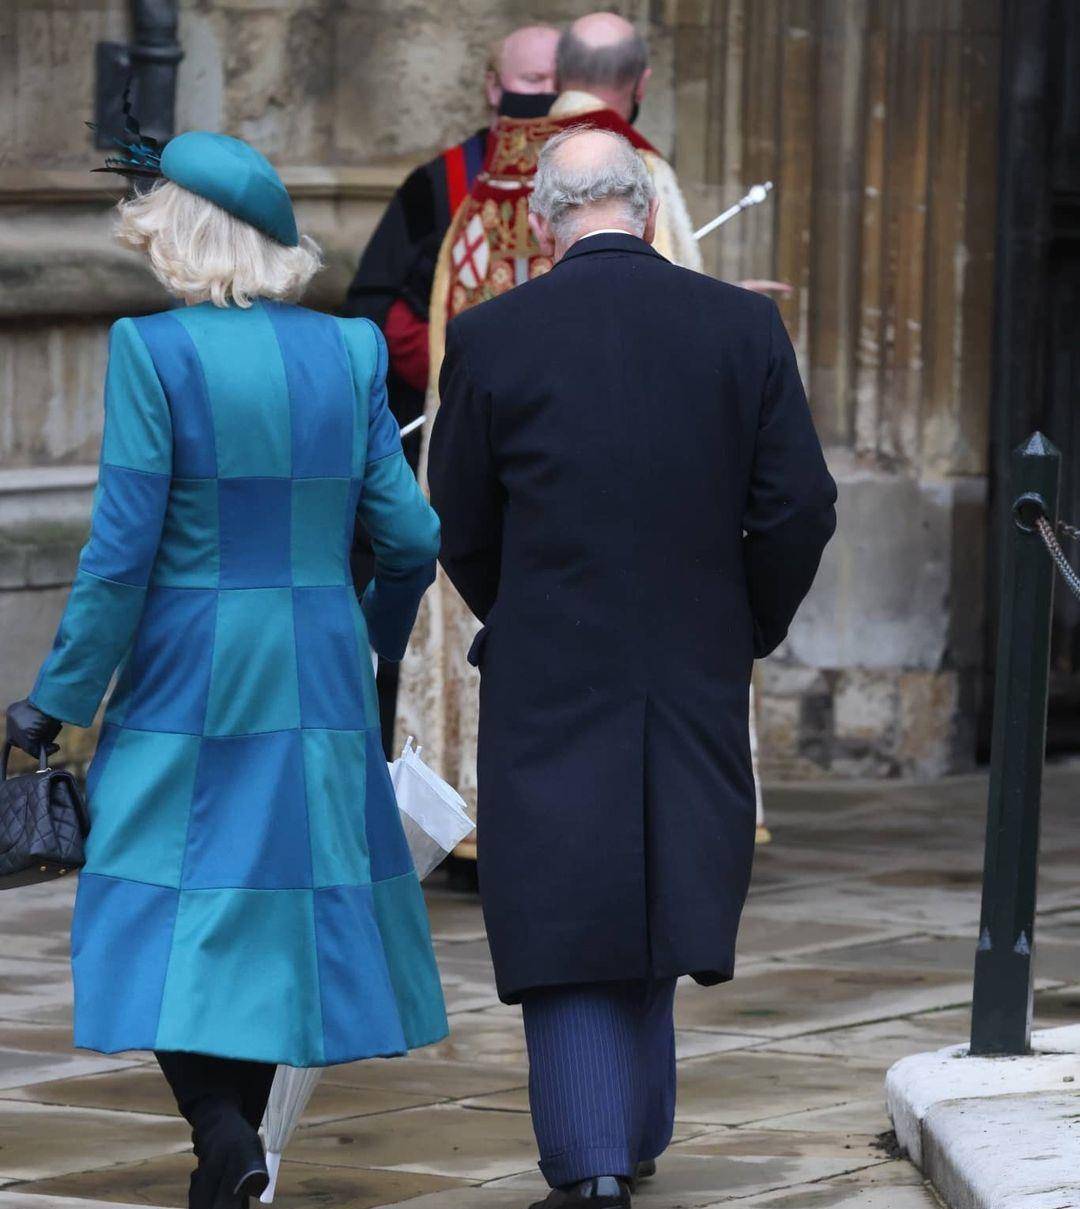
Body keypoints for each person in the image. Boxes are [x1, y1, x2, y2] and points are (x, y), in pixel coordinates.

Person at [4, 126, 446, 1209]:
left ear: (182, 239)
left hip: (190, 666)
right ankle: (230, 1153)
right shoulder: (347, 351)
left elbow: (118, 555)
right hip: (321, 661)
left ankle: (222, 1135)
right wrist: (375, 642)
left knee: (151, 899)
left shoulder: (153, 350)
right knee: (274, 906)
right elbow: (415, 539)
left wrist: (52, 704)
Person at [427, 128, 837, 1208]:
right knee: (656, 871)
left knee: (572, 893)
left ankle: (599, 1151)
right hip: (692, 653)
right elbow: (800, 507)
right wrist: (744, 620)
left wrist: (521, 607)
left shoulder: (494, 337)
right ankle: (611, 1140)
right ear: (648, 212)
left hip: (551, 657)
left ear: (546, 222)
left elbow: (458, 519)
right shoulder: (742, 324)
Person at [396, 11, 703, 833]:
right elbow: (673, 329)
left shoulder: (481, 188)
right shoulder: (631, 173)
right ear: (642, 84)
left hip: (505, 561)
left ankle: (453, 808)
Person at [343, 22, 559, 753]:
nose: (546, 100)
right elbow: (375, 310)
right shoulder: (442, 184)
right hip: (459, 435)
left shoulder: (604, 179)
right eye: (531, 84)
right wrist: (458, 373)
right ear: (494, 88)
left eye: (558, 84)